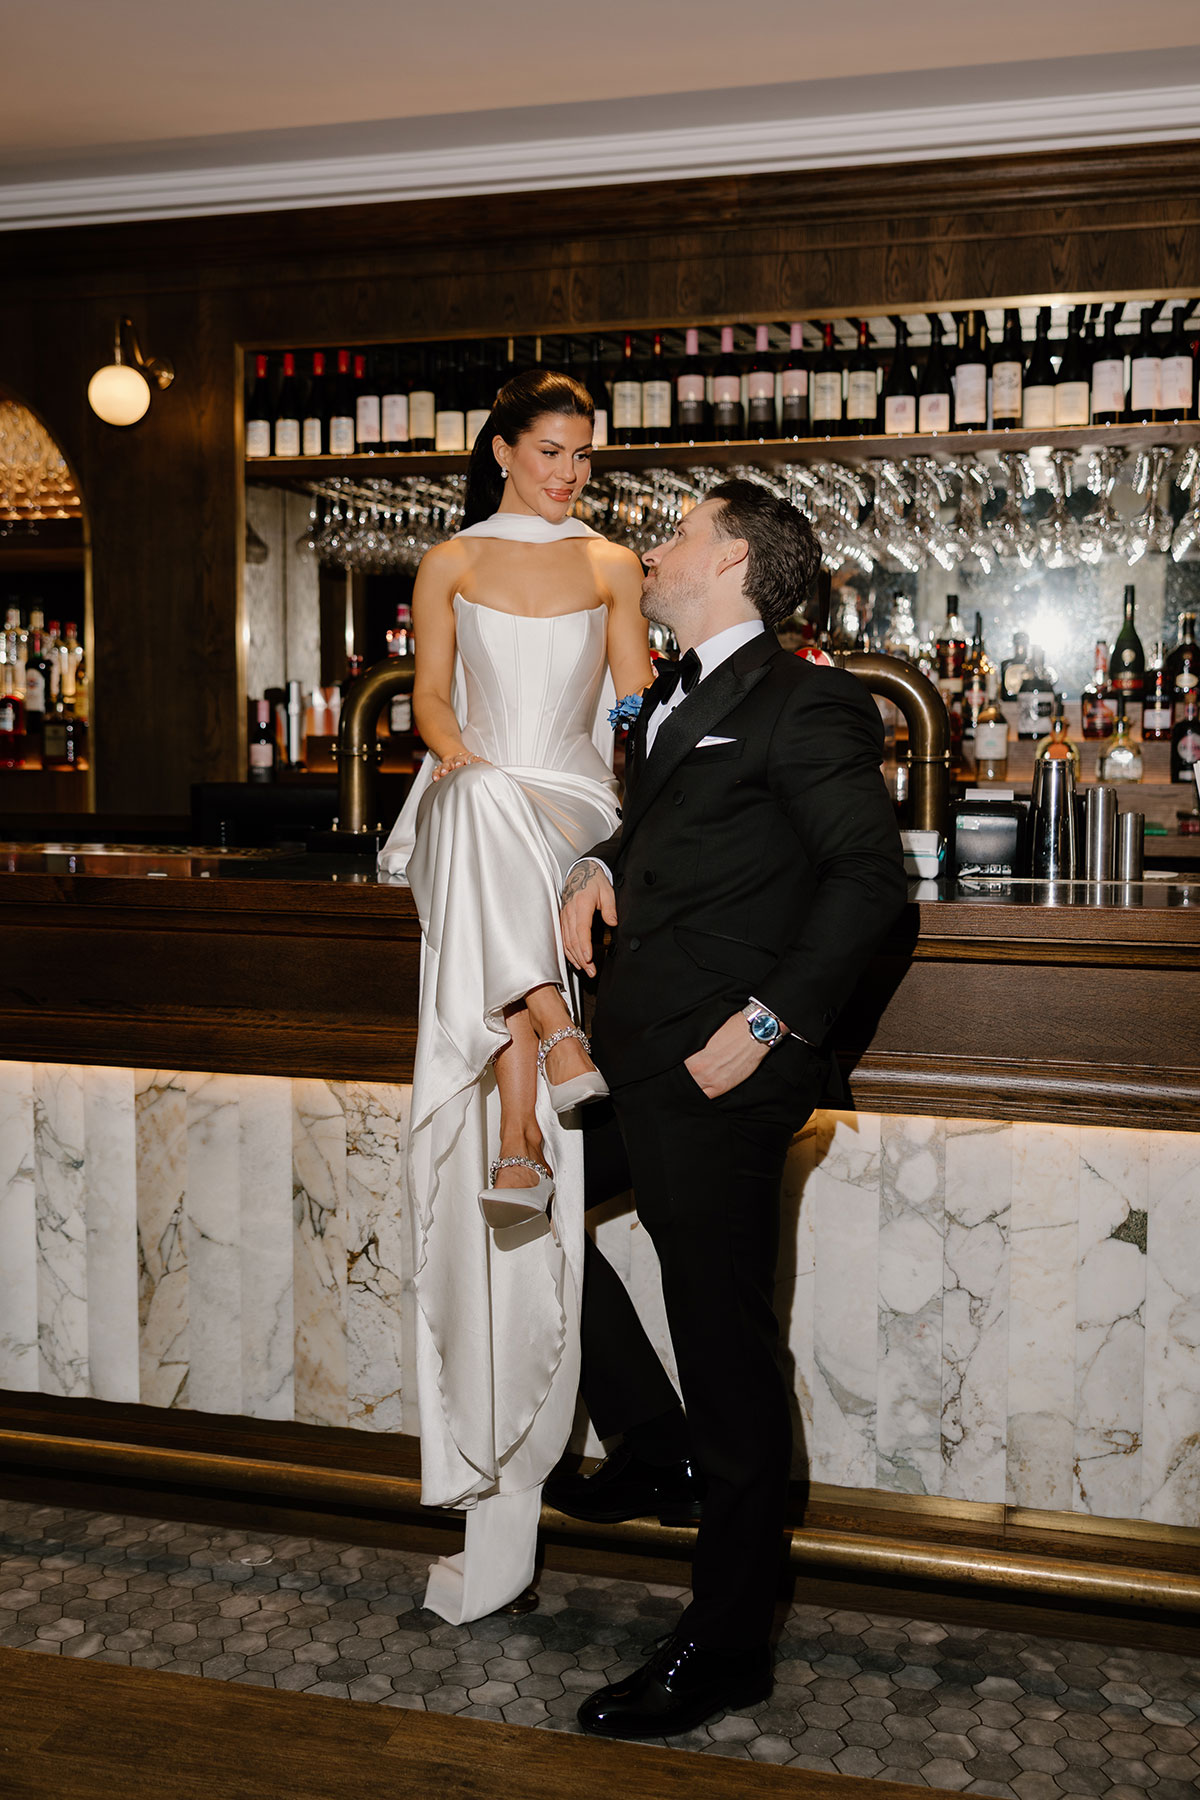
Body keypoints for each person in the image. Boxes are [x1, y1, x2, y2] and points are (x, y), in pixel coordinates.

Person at [555, 478, 908, 1738]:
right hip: (638, 1061)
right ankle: (654, 1440)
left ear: (738, 562)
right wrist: (599, 864)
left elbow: (871, 882)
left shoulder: (806, 697)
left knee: (727, 1348)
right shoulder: (674, 696)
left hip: (725, 1075)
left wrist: (770, 1026)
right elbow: (663, 833)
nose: (653, 547)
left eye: (679, 534)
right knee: (524, 1207)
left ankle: (728, 1639)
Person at [377, 369, 651, 1624]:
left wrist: (651, 695)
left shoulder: (612, 564)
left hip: (571, 804)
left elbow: (636, 705)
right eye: (551, 450)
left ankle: (524, 1125)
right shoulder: (446, 562)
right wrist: (458, 758)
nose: (572, 472)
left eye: (583, 454)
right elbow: (431, 700)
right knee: (479, 806)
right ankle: (549, 1045)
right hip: (473, 786)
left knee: (499, 825)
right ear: (499, 451)